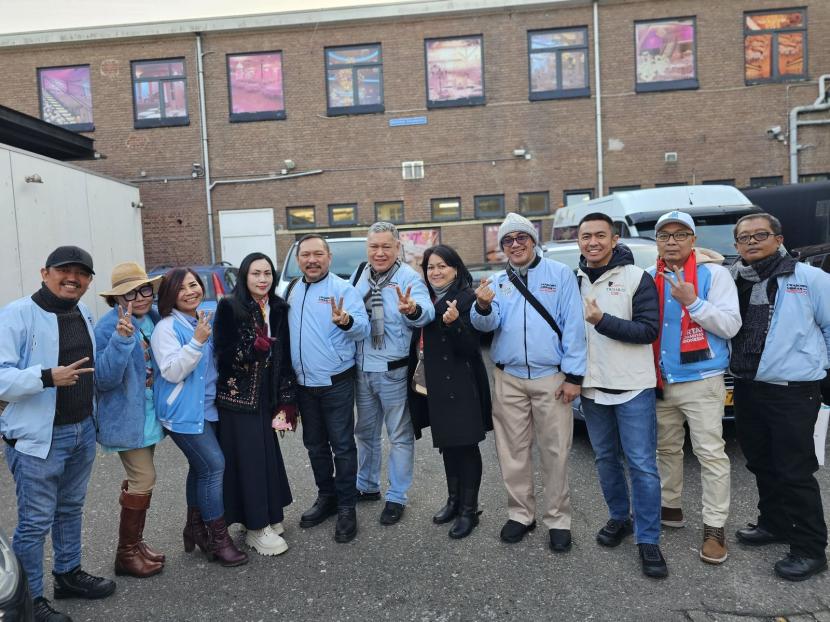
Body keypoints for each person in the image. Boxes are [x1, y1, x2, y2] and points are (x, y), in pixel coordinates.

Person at [0, 246, 116, 622]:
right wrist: (47, 377)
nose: (73, 278)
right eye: (64, 270)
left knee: (70, 509)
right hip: (38, 439)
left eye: (82, 273)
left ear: (89, 281)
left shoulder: (82, 311)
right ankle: (29, 601)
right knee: (34, 523)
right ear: (44, 272)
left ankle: (68, 575)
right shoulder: (16, 315)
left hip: (81, 430)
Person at [471, 212, 587, 553]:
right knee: (512, 451)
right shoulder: (497, 281)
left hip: (552, 377)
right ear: (502, 247)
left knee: (555, 451)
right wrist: (481, 305)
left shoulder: (560, 274)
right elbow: (486, 326)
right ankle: (521, 514)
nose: (515, 244)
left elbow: (574, 326)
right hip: (509, 377)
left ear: (533, 241)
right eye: (508, 240)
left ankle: (558, 519)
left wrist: (574, 376)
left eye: (521, 238)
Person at [729, 213, 830, 581]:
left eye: (760, 235)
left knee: (795, 470)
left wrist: (825, 377)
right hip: (747, 386)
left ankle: (809, 548)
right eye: (744, 237)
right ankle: (774, 524)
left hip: (792, 391)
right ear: (736, 245)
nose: (752, 242)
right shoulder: (734, 280)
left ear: (779, 238)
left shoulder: (809, 279)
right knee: (760, 462)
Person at [647, 210, 741, 565]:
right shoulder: (648, 277)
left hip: (702, 380)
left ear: (693, 240)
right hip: (660, 380)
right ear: (656, 242)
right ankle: (670, 507)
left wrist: (693, 301)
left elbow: (731, 325)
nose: (671, 241)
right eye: (664, 235)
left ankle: (714, 527)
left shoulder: (713, 275)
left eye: (679, 234)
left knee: (710, 454)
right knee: (666, 449)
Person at [575, 213, 666, 578]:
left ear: (614, 240)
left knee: (643, 465)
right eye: (586, 237)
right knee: (605, 459)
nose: (592, 242)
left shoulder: (636, 278)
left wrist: (602, 322)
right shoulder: (574, 280)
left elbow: (648, 330)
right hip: (592, 387)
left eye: (600, 235)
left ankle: (649, 539)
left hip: (632, 387)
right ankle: (618, 517)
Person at [151, 268, 247, 567]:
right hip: (182, 412)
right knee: (214, 465)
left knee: (200, 466)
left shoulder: (200, 318)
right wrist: (196, 342)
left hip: (208, 408)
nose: (190, 291)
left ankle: (195, 528)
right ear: (170, 295)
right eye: (181, 289)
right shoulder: (166, 328)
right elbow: (172, 371)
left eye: (193, 285)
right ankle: (219, 540)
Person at [286, 235, 369, 543]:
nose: (312, 260)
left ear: (328, 257)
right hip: (304, 386)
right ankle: (327, 497)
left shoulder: (342, 289)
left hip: (336, 384)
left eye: (318, 254)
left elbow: (363, 328)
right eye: (305, 255)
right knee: (315, 446)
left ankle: (347, 507)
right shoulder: (292, 289)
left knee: (343, 447)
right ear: (298, 260)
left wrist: (346, 321)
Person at [352, 222, 435, 525]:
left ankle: (397, 496)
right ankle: (367, 486)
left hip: (394, 373)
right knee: (365, 433)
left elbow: (427, 311)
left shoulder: (409, 278)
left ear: (398, 247)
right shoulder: (361, 274)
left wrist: (412, 310)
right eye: (374, 246)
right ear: (367, 248)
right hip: (363, 370)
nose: (380, 252)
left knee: (399, 436)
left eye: (386, 246)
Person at [213, 253, 295, 556]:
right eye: (256, 274)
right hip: (238, 398)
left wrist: (286, 400)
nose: (262, 279)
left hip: (268, 394)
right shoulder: (229, 307)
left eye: (267, 274)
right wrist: (250, 349)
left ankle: (270, 515)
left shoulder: (278, 307)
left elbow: (284, 355)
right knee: (248, 459)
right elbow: (222, 353)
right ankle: (256, 527)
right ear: (245, 277)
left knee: (266, 454)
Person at [407, 245, 492, 539]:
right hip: (436, 384)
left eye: (442, 266)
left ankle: (470, 510)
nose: (436, 272)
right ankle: (453, 501)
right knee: (447, 444)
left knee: (466, 446)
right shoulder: (426, 300)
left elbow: (472, 348)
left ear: (455, 268)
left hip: (463, 383)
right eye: (431, 267)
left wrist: (455, 323)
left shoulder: (468, 297)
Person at [95, 262, 165, 578]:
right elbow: (104, 379)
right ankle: (125, 554)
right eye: (129, 292)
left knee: (142, 479)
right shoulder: (107, 327)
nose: (139, 297)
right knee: (144, 478)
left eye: (144, 289)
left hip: (149, 415)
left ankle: (135, 545)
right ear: (117, 298)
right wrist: (121, 341)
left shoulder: (151, 319)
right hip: (126, 419)